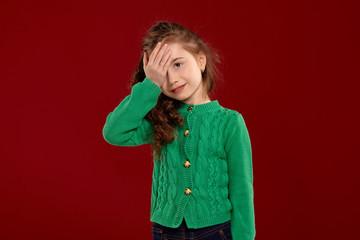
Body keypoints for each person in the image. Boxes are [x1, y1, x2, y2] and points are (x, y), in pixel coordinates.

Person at [102, 21, 255, 240]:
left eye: (177, 64)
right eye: (161, 73)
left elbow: (242, 192)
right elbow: (113, 132)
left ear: (200, 60)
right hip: (166, 231)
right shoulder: (161, 118)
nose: (172, 79)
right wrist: (150, 85)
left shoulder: (229, 122)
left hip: (215, 231)